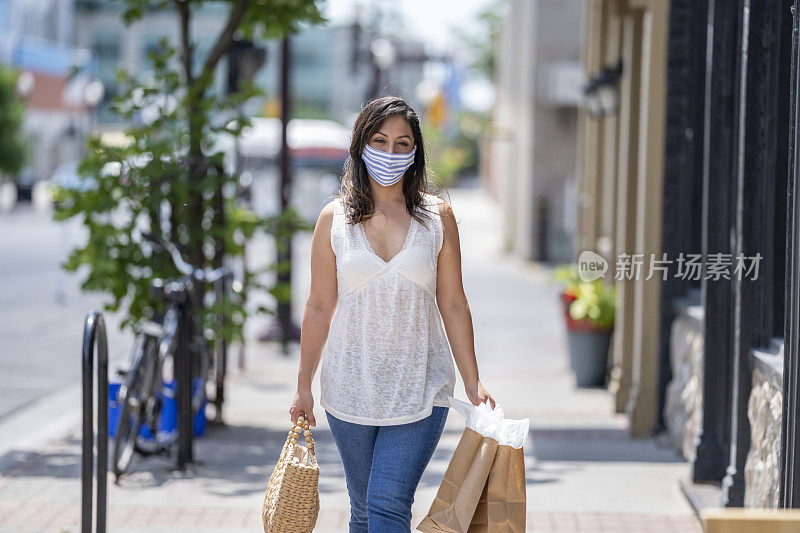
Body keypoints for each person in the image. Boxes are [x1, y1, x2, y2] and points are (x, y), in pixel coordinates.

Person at [289, 95, 495, 532]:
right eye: (379, 141)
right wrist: (302, 386)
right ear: (360, 144)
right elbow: (319, 305)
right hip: (350, 387)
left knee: (386, 505)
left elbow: (454, 302)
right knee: (363, 511)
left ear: (416, 151)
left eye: (403, 144)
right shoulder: (334, 219)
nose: (390, 153)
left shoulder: (438, 217)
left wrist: (473, 380)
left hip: (421, 385)